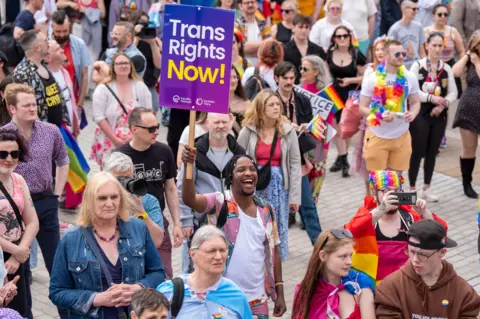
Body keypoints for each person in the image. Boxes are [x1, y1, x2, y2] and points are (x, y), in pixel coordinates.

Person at [180, 152, 287, 317]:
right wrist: (188, 166)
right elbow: (190, 199)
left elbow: (275, 252)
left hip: (258, 301)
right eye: (241, 170)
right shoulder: (219, 203)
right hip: (224, 298)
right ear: (231, 176)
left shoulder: (266, 209)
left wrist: (279, 292)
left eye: (252, 169)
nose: (248, 173)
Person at [49, 171, 166, 319]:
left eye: (114, 197)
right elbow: (57, 292)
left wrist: (138, 288)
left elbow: (158, 272)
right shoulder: (71, 239)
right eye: (102, 198)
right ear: (90, 201)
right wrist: (97, 299)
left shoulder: (138, 228)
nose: (109, 204)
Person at [345, 170, 448, 285]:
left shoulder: (410, 217)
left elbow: (441, 236)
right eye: (386, 191)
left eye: (396, 191)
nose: (392, 195)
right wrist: (381, 209)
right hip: (373, 288)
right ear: (374, 193)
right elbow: (349, 232)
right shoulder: (367, 217)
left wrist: (425, 213)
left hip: (406, 285)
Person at [116, 107, 184, 279]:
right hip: (127, 223)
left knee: (164, 274)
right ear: (134, 129)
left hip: (157, 220)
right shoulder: (119, 156)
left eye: (157, 127)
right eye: (151, 129)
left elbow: (170, 188)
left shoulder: (164, 151)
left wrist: (177, 223)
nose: (156, 132)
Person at [237, 90, 301, 261]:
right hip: (254, 186)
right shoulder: (248, 131)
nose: (276, 108)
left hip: (279, 188)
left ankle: (276, 263)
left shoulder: (287, 131)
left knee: (276, 226)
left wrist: (295, 196)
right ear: (260, 108)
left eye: (278, 104)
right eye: (271, 105)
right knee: (255, 224)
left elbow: (295, 164)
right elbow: (237, 159)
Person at [177, 113, 245, 265]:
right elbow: (182, 187)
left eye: (224, 122)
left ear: (231, 122)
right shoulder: (194, 152)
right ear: (207, 123)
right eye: (216, 122)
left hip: (231, 219)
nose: (221, 126)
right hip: (201, 221)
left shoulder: (239, 152)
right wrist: (186, 220)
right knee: (195, 265)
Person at [375, 219, 480, 318]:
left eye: (423, 254)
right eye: (411, 252)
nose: (415, 259)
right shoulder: (391, 287)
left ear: (442, 252)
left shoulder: (463, 292)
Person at [157, 225, 253, 318]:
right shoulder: (169, 292)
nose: (219, 257)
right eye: (211, 251)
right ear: (193, 254)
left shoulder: (235, 295)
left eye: (223, 250)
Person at [274, 61, 322, 244]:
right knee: (276, 208)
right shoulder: (269, 99)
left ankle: (319, 245)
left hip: (296, 158)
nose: (288, 82)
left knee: (307, 204)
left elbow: (310, 123)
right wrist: (285, 126)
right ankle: (275, 247)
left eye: (292, 78)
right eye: (285, 78)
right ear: (276, 78)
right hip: (275, 159)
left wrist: (305, 127)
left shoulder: (302, 99)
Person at [409, 32, 457, 202]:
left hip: (439, 116)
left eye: (440, 46)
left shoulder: (447, 68)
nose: (437, 49)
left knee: (432, 152)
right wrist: (431, 98)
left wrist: (443, 104)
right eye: (434, 45)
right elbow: (414, 91)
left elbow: (453, 92)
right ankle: (412, 188)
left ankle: (426, 188)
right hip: (420, 114)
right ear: (427, 46)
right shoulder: (417, 66)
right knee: (417, 151)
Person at [359, 39, 421, 172]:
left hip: (402, 135)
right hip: (377, 134)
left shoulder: (409, 77)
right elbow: (362, 107)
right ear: (386, 55)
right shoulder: (372, 78)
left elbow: (415, 102)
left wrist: (413, 113)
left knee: (395, 184)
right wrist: (379, 115)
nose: (401, 57)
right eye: (397, 54)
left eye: (403, 54)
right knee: (379, 185)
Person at [292, 229, 375, 319]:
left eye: (350, 255)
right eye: (343, 256)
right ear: (323, 256)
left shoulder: (360, 283)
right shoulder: (306, 290)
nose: (349, 262)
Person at [0, 129, 39, 318]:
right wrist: (14, 252)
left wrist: (19, 254)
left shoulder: (19, 180)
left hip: (19, 254)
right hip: (2, 255)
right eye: (2, 154)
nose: (9, 158)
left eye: (14, 154)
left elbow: (32, 222)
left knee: (22, 308)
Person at [91, 52, 151, 167]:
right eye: (119, 64)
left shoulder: (140, 87)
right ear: (113, 67)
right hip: (109, 139)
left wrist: (133, 136)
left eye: (126, 63)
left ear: (131, 66)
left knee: (134, 174)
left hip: (135, 139)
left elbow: (148, 113)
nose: (123, 66)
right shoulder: (103, 89)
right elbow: (99, 117)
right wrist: (116, 139)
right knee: (110, 177)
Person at [326, 26, 367, 178]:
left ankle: (340, 157)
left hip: (351, 96)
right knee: (337, 128)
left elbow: (366, 77)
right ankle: (344, 161)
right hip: (334, 94)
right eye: (339, 36)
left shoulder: (356, 54)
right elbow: (325, 73)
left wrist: (350, 80)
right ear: (334, 39)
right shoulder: (329, 54)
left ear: (350, 38)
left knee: (347, 128)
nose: (342, 39)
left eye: (345, 36)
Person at [350, 35, 388, 196]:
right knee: (368, 158)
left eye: (383, 49)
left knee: (386, 161)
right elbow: (364, 98)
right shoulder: (369, 70)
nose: (379, 52)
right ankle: (369, 195)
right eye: (377, 49)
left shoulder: (395, 70)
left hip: (389, 122)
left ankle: (385, 192)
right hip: (371, 120)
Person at [103, 152, 165, 248]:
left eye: (127, 179)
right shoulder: (99, 201)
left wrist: (141, 212)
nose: (123, 184)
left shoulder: (148, 201)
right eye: (119, 180)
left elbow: (156, 242)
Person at [13, 30, 69, 127]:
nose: (48, 43)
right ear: (37, 48)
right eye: (46, 40)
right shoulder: (22, 73)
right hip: (42, 135)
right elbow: (27, 110)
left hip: (58, 129)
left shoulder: (44, 64)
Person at [452, 31, 480, 199]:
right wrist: (467, 56)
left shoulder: (477, 62)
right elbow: (455, 72)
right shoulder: (471, 59)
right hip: (468, 110)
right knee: (469, 148)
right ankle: (466, 183)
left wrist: (477, 63)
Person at [51, 10, 92, 114]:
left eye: (65, 31)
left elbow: (84, 75)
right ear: (52, 26)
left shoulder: (79, 44)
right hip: (51, 102)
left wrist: (80, 102)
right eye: (58, 32)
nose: (61, 35)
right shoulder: (45, 45)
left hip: (72, 101)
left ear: (69, 25)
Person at [129, 10, 162, 114]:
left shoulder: (152, 40)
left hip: (149, 82)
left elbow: (159, 64)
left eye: (146, 23)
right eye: (141, 23)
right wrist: (136, 37)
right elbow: (128, 59)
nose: (144, 26)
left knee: (153, 110)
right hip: (131, 82)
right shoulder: (128, 38)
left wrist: (153, 44)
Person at [46, 40, 80, 136]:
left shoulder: (64, 72)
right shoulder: (46, 78)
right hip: (58, 132)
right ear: (48, 58)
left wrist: (75, 126)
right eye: (57, 49)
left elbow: (71, 100)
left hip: (70, 129)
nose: (62, 50)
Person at [283, 14, 326, 84]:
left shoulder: (318, 50)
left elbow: (324, 72)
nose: (304, 30)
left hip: (314, 88)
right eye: (300, 27)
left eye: (306, 27)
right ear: (293, 28)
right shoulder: (285, 49)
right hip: (292, 87)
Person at [388, 1, 427, 70]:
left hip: (417, 67)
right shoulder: (394, 29)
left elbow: (421, 51)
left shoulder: (418, 26)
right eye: (414, 9)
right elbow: (390, 53)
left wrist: (426, 67)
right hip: (401, 68)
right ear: (404, 9)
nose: (416, 12)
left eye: (417, 9)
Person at [235, 0, 271, 65]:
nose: (250, 5)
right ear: (240, 6)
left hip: (261, 67)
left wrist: (249, 48)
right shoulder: (236, 24)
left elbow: (269, 47)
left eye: (252, 2)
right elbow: (241, 49)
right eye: (247, 3)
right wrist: (264, 44)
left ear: (257, 4)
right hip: (242, 67)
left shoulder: (263, 24)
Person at [229, 66, 251, 137]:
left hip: (240, 145)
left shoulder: (246, 103)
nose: (233, 81)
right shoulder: (213, 102)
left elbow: (252, 129)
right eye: (229, 77)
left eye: (235, 77)